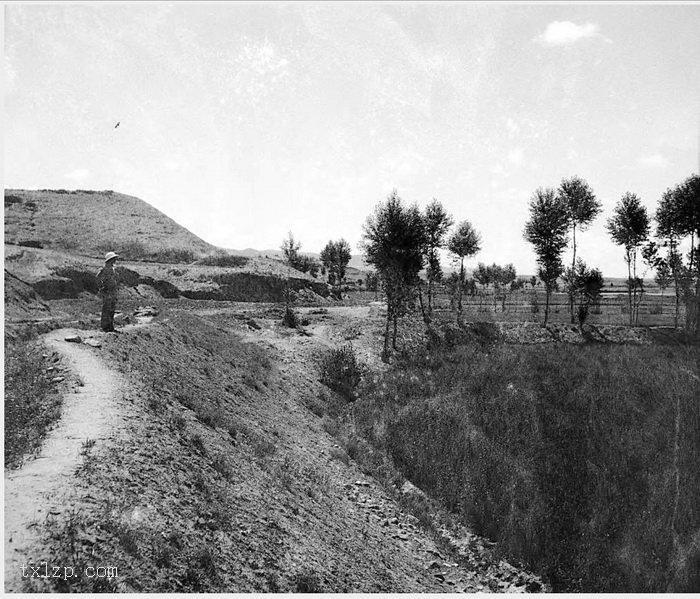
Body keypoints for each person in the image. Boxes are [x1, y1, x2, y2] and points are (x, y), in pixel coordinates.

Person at [97, 252, 120, 332]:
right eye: (113, 259)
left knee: (112, 308)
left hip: (113, 290)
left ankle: (110, 325)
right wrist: (102, 286)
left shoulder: (113, 269)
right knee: (106, 308)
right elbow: (98, 278)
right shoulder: (103, 269)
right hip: (107, 291)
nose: (115, 260)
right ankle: (104, 326)